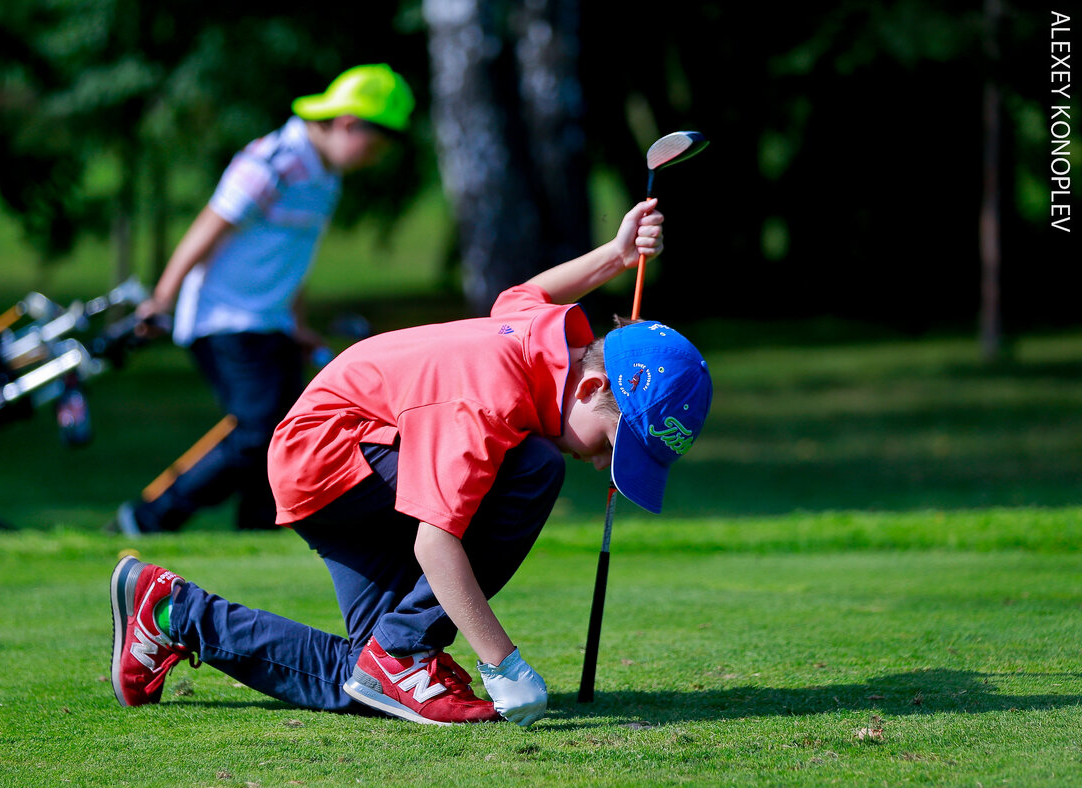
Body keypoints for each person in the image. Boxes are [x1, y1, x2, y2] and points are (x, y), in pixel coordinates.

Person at [109, 199, 713, 726]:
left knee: (374, 680)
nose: (604, 463)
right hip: (330, 457)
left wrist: (613, 254)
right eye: (612, 445)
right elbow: (435, 544)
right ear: (587, 389)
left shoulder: (538, 338)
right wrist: (503, 663)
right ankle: (403, 651)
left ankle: (169, 610)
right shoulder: (489, 401)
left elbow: (526, 295)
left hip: (341, 459)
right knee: (534, 468)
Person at [113, 64, 415, 535]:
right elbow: (208, 228)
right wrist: (162, 299)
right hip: (224, 317)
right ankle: (150, 519)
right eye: (371, 145)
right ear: (347, 122)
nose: (372, 158)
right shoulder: (272, 162)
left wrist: (296, 322)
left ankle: (256, 530)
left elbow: (295, 259)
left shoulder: (326, 179)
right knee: (259, 434)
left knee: (286, 435)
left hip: (268, 321)